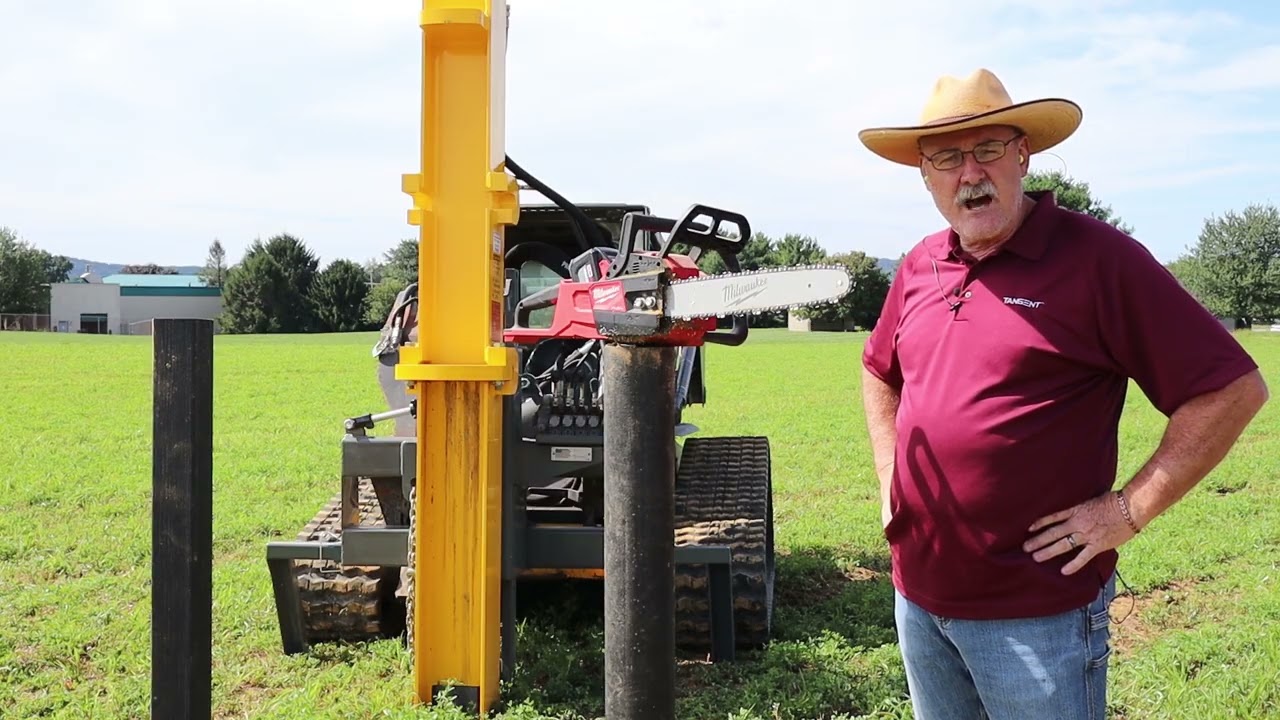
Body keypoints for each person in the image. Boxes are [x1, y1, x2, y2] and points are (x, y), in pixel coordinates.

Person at [856, 68, 1269, 719]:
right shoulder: (918, 265)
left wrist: (1127, 511)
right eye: (946, 158)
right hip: (919, 599)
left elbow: (1231, 390)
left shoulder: (1101, 260)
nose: (970, 173)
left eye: (988, 149)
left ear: (1023, 154)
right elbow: (879, 370)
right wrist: (889, 476)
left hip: (1038, 617)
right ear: (925, 177)